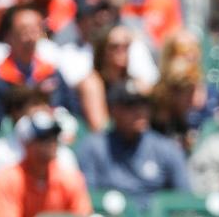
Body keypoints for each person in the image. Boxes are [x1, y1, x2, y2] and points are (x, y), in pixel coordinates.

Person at [76, 81, 190, 209]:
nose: (140, 112)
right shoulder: (93, 148)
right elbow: (86, 199)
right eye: (130, 105)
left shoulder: (166, 149)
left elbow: (184, 201)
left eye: (144, 105)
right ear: (113, 110)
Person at [0, 109, 92, 217]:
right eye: (43, 137)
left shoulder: (70, 179)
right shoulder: (8, 179)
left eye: (54, 136)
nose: (51, 143)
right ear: (26, 143)